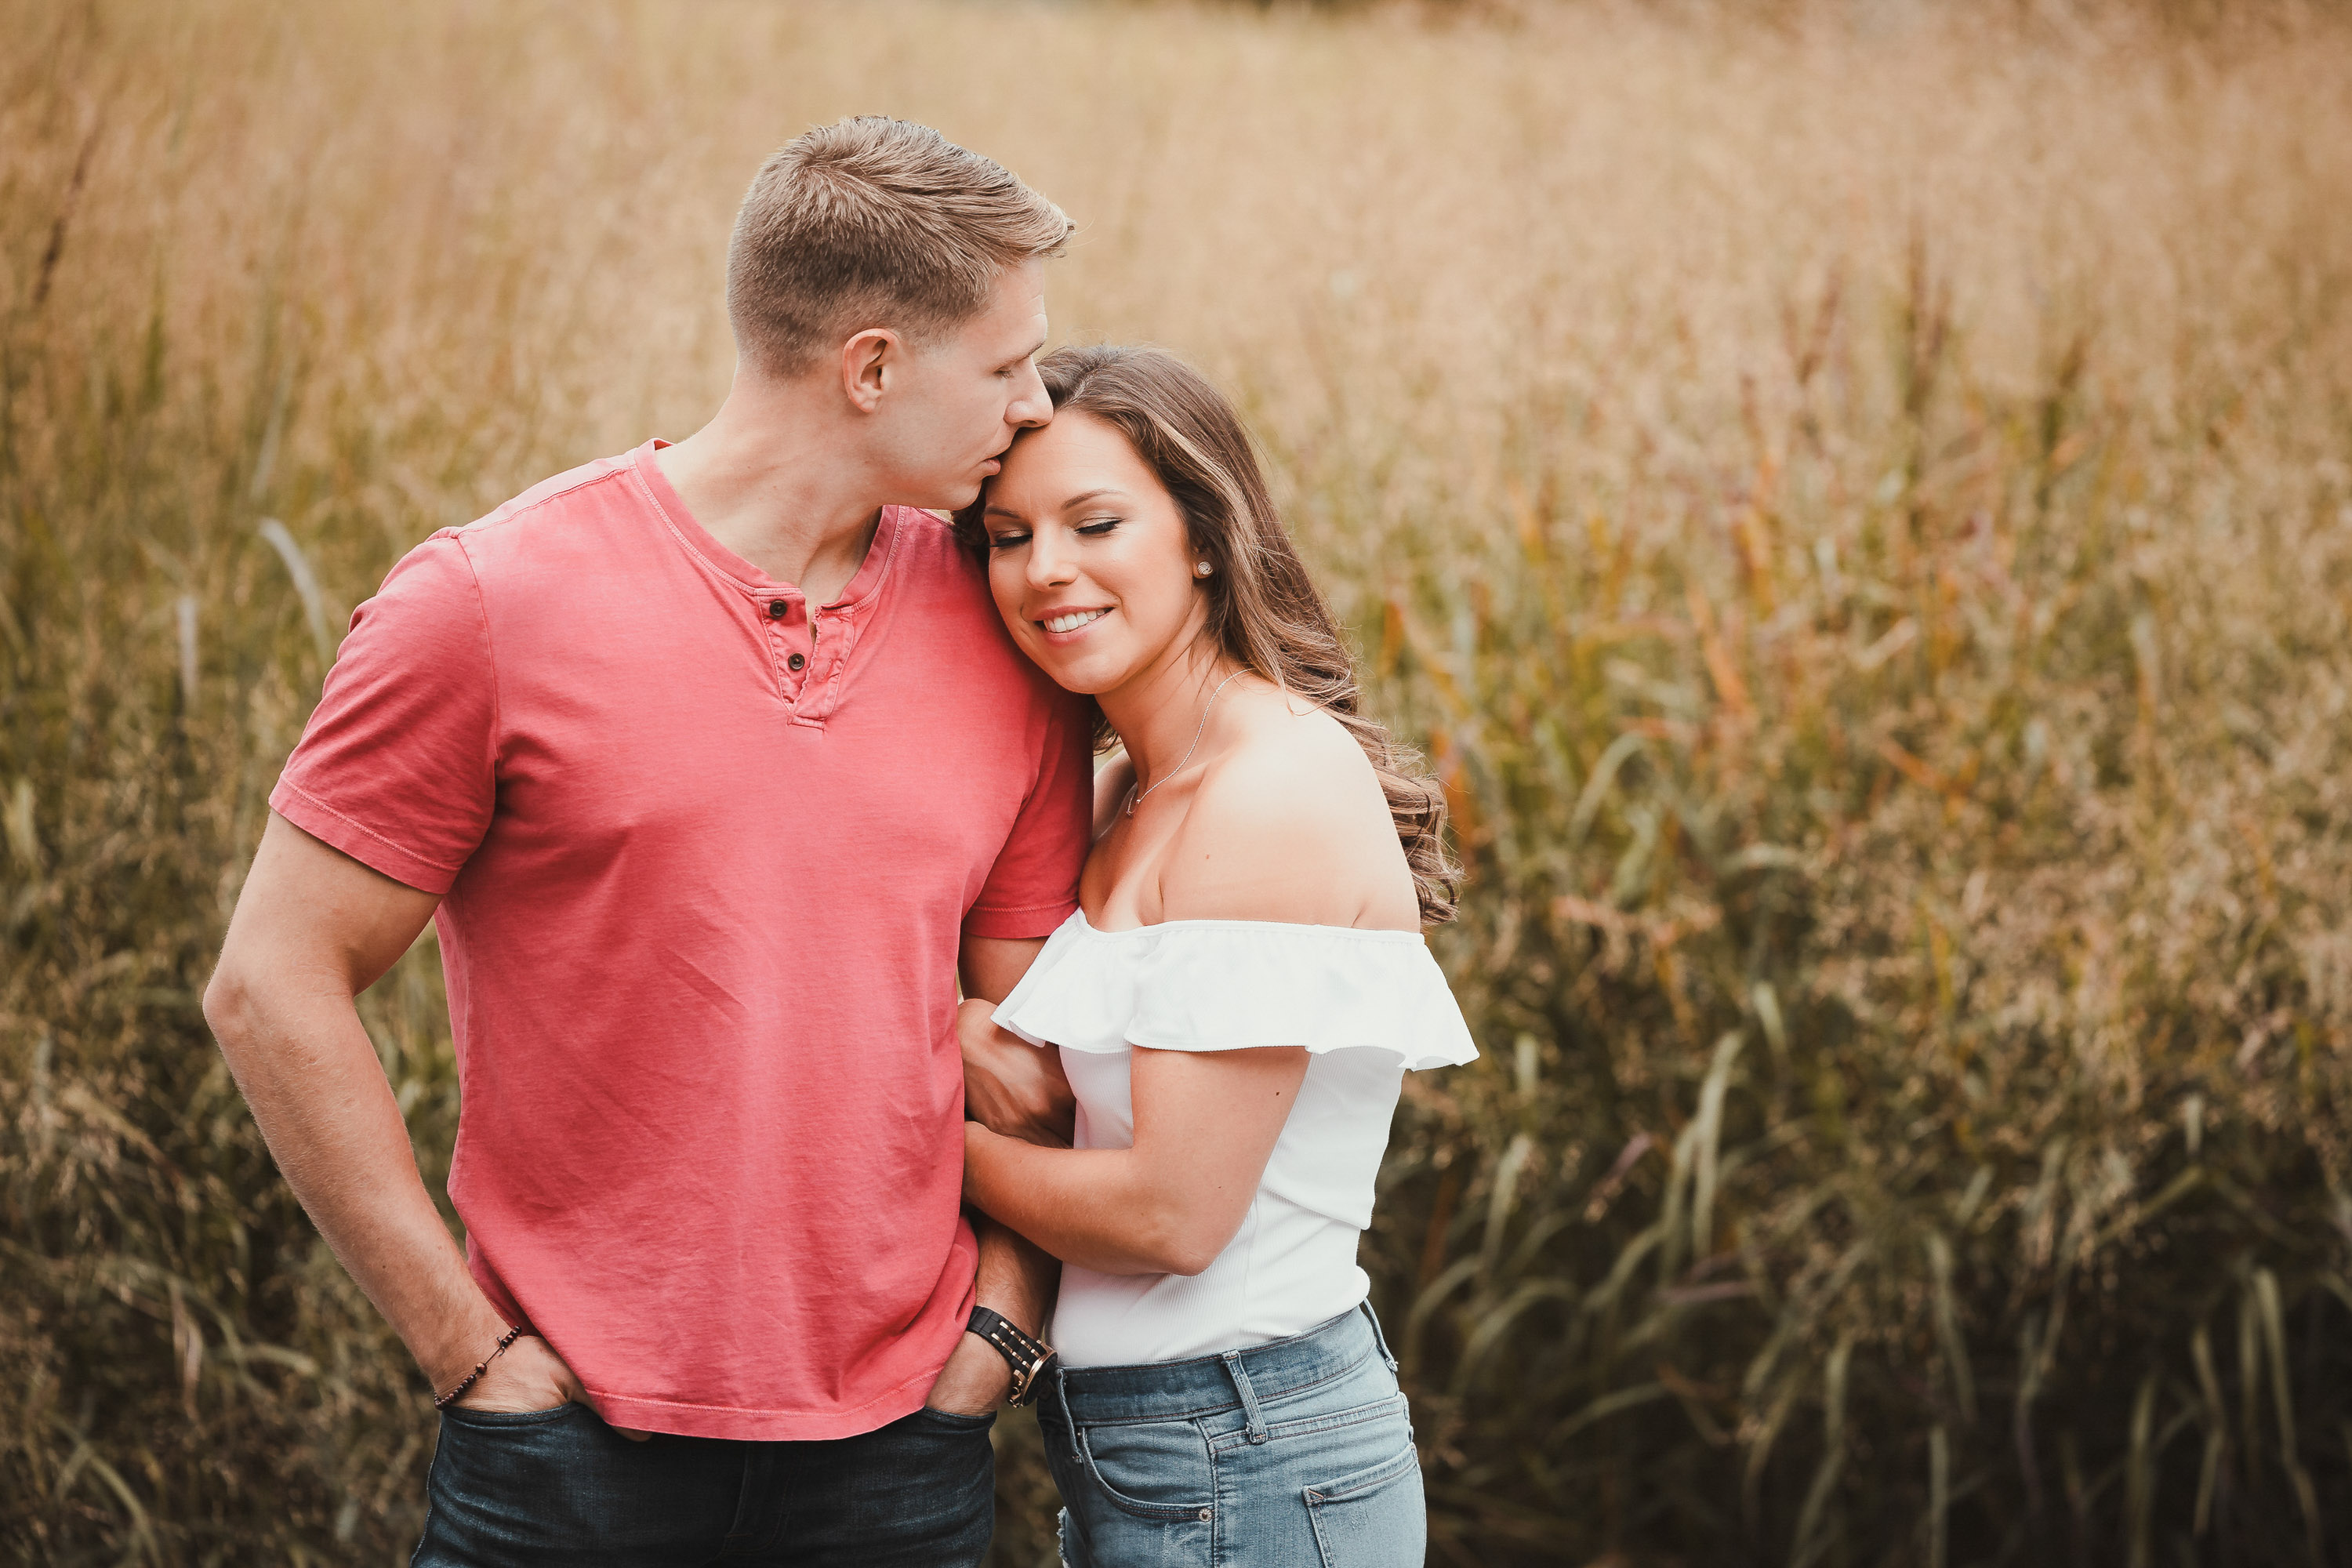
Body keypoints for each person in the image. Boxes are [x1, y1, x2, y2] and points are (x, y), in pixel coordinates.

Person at [201, 118, 1093, 1566]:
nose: (1037, 403)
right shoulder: (486, 604)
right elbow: (271, 985)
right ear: (870, 366)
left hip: (901, 1461)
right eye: (1004, 366)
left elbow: (1048, 1052)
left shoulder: (1007, 632)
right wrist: (466, 1354)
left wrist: (999, 1332)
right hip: (565, 1460)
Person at [951, 345, 1479, 1567]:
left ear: (1201, 533)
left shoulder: (1268, 791)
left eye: (1095, 523)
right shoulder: (1125, 786)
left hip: (1251, 1442)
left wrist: (915, 1129)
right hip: (1155, 1443)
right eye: (1008, 536)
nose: (1047, 572)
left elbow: (1170, 1214)